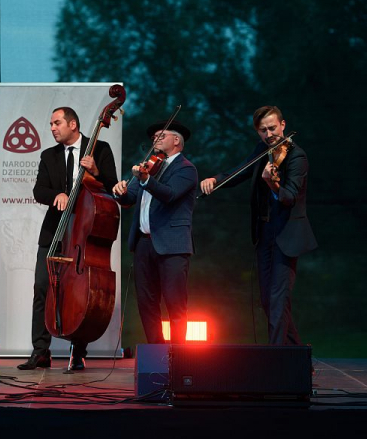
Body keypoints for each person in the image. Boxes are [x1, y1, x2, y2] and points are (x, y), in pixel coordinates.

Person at [200, 106, 316, 345]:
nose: (269, 134)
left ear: (283, 125)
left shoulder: (297, 156)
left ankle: (275, 361)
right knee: (268, 300)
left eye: (272, 128)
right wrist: (216, 179)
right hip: (265, 233)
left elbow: (289, 197)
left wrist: (273, 184)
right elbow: (239, 171)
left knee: (277, 299)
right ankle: (298, 356)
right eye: (263, 130)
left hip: (287, 234)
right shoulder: (262, 150)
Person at [17, 107, 118, 370]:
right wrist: (56, 196)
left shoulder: (100, 149)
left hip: (85, 230)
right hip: (55, 232)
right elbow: (39, 190)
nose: (52, 128)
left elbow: (113, 188)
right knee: (42, 288)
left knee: (81, 293)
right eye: (51, 123)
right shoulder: (48, 155)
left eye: (57, 122)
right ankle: (41, 351)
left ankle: (78, 352)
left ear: (73, 124)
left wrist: (95, 171)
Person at [112, 120, 197, 344]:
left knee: (175, 302)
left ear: (176, 140)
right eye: (154, 137)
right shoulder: (147, 166)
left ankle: (178, 357)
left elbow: (169, 194)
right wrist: (120, 191)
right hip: (144, 243)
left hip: (172, 245)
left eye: (161, 136)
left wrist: (146, 180)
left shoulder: (186, 169)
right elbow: (129, 199)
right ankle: (157, 352)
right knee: (147, 302)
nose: (155, 140)